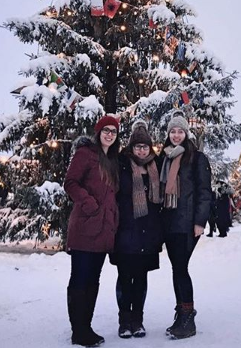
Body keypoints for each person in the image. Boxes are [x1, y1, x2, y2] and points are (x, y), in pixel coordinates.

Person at [64, 115, 120, 347]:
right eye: (106, 130)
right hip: (85, 227)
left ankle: (86, 326)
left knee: (93, 281)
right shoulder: (85, 153)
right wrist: (89, 204)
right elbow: (70, 183)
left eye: (113, 131)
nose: (109, 134)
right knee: (80, 279)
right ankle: (78, 330)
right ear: (98, 132)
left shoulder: (112, 160)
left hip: (104, 230)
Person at [160, 111, 212, 340]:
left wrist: (200, 222)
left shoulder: (196, 158)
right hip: (170, 222)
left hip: (188, 223)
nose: (176, 135)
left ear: (186, 133)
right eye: (173, 131)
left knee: (181, 268)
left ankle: (188, 318)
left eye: (180, 131)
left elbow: (204, 192)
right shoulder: (165, 156)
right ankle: (181, 313)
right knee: (176, 268)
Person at [111, 120, 162, 339]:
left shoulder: (156, 166)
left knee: (141, 278)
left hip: (148, 232)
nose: (141, 150)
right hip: (125, 230)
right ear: (131, 147)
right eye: (137, 146)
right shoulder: (121, 164)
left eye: (145, 147)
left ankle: (137, 320)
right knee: (124, 277)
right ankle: (124, 321)